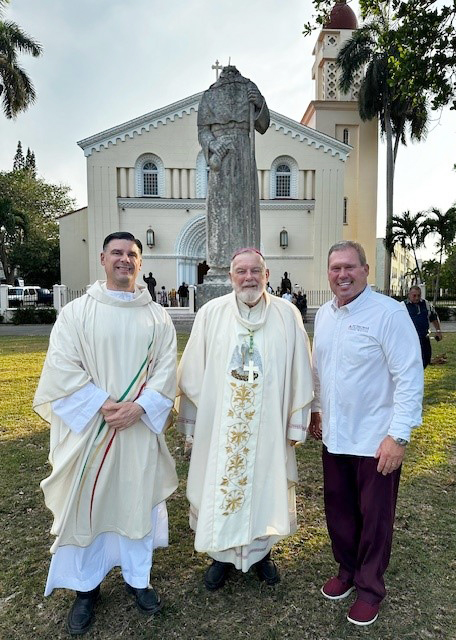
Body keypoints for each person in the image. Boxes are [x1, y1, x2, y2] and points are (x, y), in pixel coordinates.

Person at [33, 232, 178, 635]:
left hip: (136, 430)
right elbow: (62, 367)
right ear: (102, 258)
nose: (124, 260)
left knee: (136, 501)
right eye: (117, 253)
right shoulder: (77, 313)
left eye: (132, 254)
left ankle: (138, 579)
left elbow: (166, 370)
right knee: (89, 506)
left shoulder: (158, 317)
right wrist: (102, 403)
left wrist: (141, 408)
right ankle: (85, 587)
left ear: (141, 262)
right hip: (91, 432)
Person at [176, 248, 313, 591]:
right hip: (220, 427)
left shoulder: (287, 315)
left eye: (256, 271)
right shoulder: (211, 314)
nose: (248, 277)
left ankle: (262, 554)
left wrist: (296, 421)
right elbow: (194, 372)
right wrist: (193, 425)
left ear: (267, 275)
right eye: (241, 271)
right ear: (231, 277)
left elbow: (300, 370)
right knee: (219, 487)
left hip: (269, 426)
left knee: (266, 487)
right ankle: (220, 558)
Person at [309, 240, 423, 627]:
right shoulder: (324, 314)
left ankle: (370, 587)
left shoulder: (388, 314)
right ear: (328, 273)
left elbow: (409, 377)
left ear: (365, 270)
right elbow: (319, 370)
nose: (342, 275)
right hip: (335, 435)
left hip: (376, 440)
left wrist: (399, 436)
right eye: (335, 268)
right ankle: (347, 571)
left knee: (375, 518)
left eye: (349, 267)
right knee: (339, 510)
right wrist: (315, 411)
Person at [198, 66, 270, 274]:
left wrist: (260, 103)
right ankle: (221, 261)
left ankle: (247, 261)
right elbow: (203, 130)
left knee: (243, 206)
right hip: (221, 155)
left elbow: (263, 125)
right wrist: (213, 144)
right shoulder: (209, 95)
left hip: (243, 152)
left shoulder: (248, 87)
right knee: (219, 208)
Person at [403, 285, 442, 368]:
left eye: (418, 295)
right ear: (409, 295)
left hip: (424, 338)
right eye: (414, 295)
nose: (417, 298)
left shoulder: (426, 304)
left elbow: (433, 317)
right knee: (411, 361)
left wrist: (438, 331)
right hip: (409, 339)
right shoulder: (402, 306)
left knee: (426, 358)